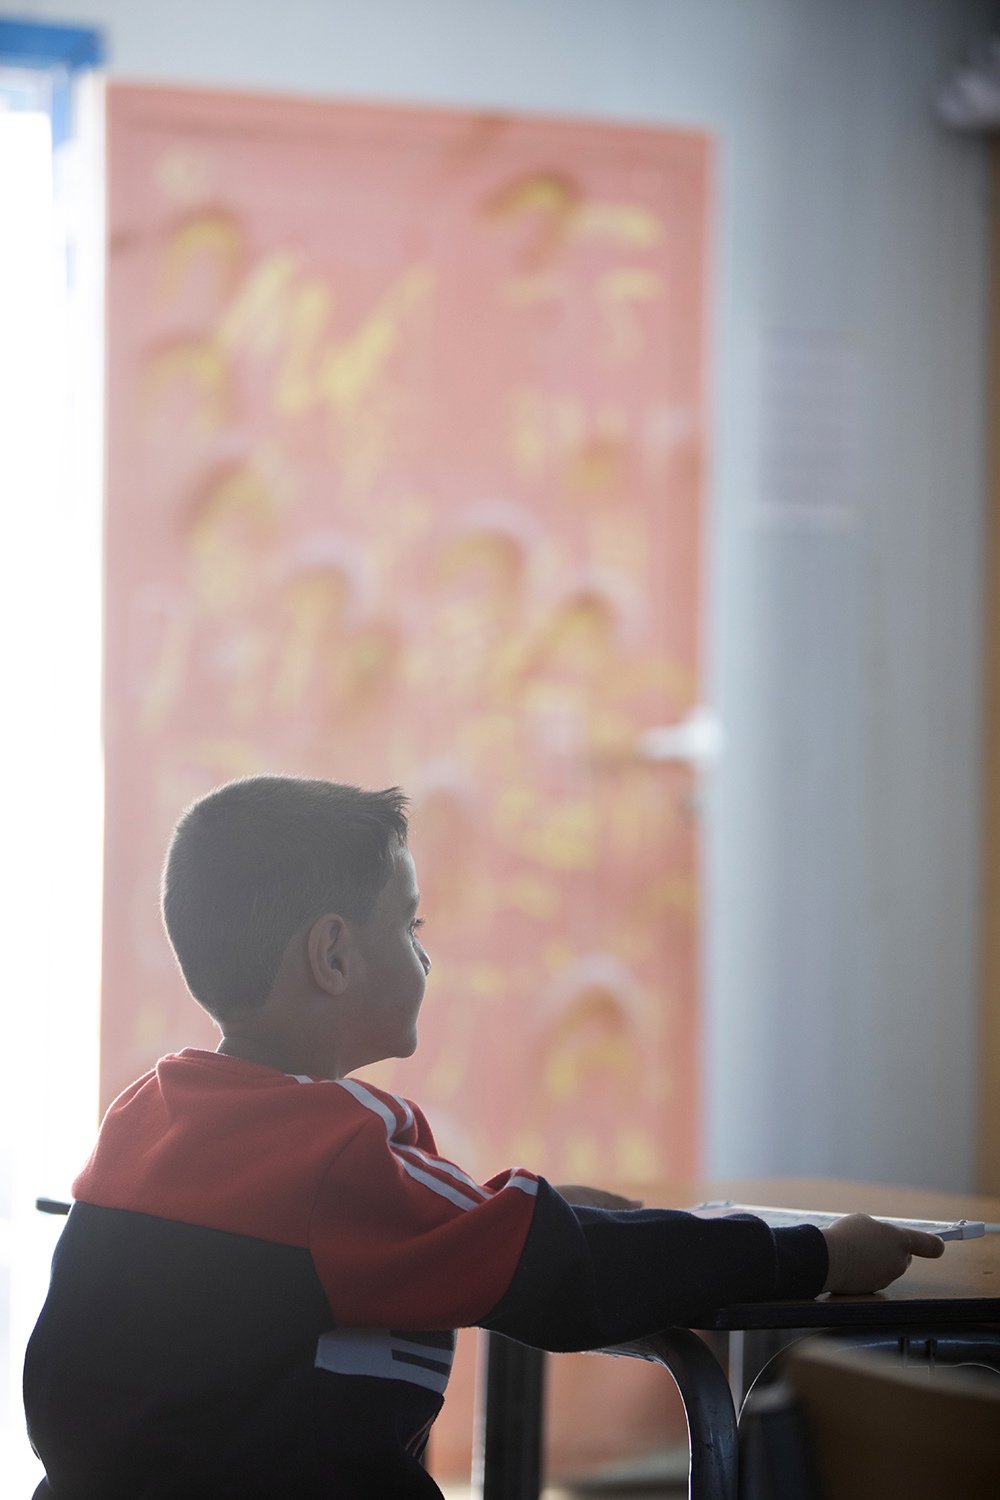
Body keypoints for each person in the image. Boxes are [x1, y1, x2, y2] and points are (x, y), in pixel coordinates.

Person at [23, 776, 945, 1499]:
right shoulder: (331, 1152)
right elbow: (564, 1278)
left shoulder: (154, 1112)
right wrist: (810, 1254)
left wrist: (524, 1214)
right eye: (411, 923)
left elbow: (402, 1229)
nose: (427, 952)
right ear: (335, 955)